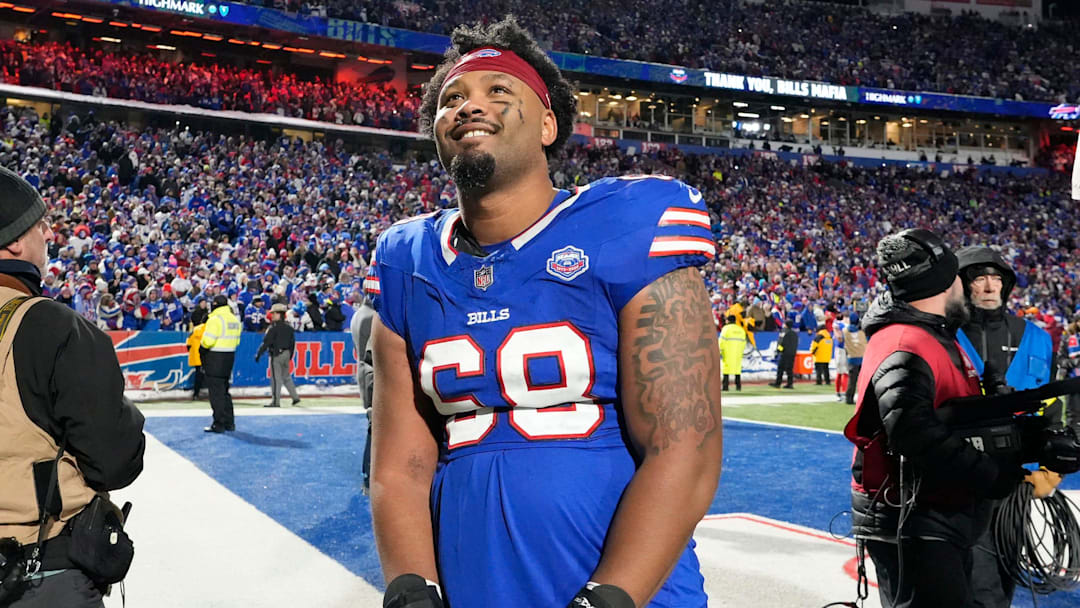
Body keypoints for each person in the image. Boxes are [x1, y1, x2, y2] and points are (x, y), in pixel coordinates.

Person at [368, 17, 723, 608]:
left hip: (620, 582)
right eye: (451, 99)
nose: (468, 106)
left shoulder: (628, 220)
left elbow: (685, 445)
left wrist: (612, 594)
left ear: (549, 124)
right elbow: (399, 464)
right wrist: (411, 585)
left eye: (497, 92)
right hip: (472, 578)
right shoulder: (407, 261)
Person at [843, 228, 1056, 608]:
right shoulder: (907, 342)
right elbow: (914, 433)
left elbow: (952, 417)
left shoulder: (932, 335)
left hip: (933, 514)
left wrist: (1034, 441)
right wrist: (993, 476)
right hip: (914, 518)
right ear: (946, 281)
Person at [0, 166, 145, 607]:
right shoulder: (53, 327)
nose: (48, 232)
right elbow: (115, 462)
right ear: (15, 243)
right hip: (36, 569)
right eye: (39, 223)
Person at [953, 246, 1059, 608]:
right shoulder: (944, 335)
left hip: (1017, 481)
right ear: (964, 285)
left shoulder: (1038, 338)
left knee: (1005, 573)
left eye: (996, 278)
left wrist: (1051, 470)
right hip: (962, 476)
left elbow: (1053, 403)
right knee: (977, 581)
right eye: (979, 278)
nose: (988, 285)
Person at [199, 294, 241, 433]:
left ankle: (219, 423)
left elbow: (208, 341)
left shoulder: (215, 319)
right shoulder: (234, 319)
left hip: (215, 358)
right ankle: (230, 422)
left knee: (216, 394)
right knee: (224, 392)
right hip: (229, 357)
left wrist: (202, 348)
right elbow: (237, 341)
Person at [350, 296, 376, 494]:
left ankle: (367, 476)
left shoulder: (360, 314)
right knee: (375, 429)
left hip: (365, 372)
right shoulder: (371, 316)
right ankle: (369, 477)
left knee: (373, 427)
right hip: (372, 373)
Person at [255, 303, 300, 408]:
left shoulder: (273, 328)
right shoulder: (289, 327)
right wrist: (290, 355)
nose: (272, 315)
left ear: (279, 314)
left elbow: (266, 343)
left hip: (276, 354)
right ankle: (295, 397)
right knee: (286, 377)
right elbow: (292, 342)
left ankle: (276, 401)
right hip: (286, 353)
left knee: (276, 379)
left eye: (274, 313)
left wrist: (259, 354)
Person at [843, 313, 867, 404]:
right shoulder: (863, 331)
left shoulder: (845, 331)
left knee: (852, 381)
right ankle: (863, 399)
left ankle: (849, 398)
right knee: (863, 381)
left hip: (852, 358)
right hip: (862, 358)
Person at [720, 314, 747, 391]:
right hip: (738, 352)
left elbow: (722, 341)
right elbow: (744, 342)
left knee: (726, 369)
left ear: (727, 321)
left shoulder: (726, 329)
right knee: (737, 369)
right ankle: (738, 386)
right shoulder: (741, 330)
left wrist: (720, 350)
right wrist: (741, 351)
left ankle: (725, 386)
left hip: (728, 352)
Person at [771, 318, 798, 389]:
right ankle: (790, 383)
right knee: (789, 369)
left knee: (781, 368)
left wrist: (778, 351)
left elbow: (781, 343)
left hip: (785, 353)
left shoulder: (783, 332)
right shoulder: (794, 333)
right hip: (792, 353)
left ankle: (778, 383)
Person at [187, 318, 206, 401]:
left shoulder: (195, 329)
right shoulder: (208, 329)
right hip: (205, 356)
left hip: (195, 356)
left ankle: (196, 393)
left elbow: (188, 344)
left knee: (198, 375)